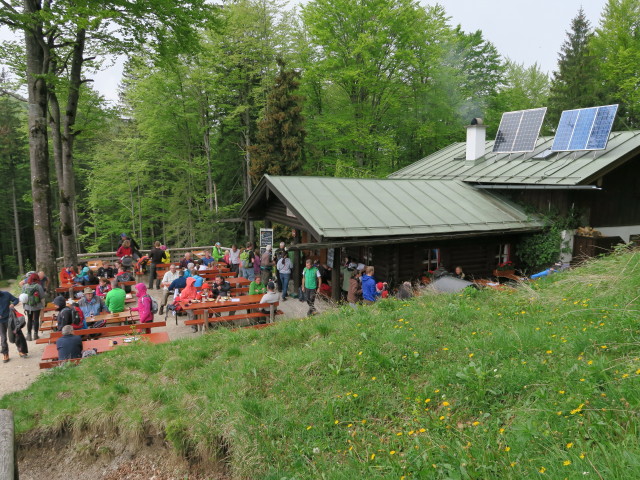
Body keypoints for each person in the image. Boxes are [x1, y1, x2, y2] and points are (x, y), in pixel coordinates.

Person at [22, 272, 45, 341]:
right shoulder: (38, 286)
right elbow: (42, 296)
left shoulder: (25, 286)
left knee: (29, 319)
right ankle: (35, 334)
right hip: (37, 306)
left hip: (28, 306)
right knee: (36, 319)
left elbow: (23, 296)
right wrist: (43, 306)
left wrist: (24, 305)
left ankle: (29, 335)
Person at [0, 290, 19, 363]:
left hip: (10, 318)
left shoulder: (6, 294)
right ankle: (5, 354)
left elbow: (16, 299)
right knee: (3, 338)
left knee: (16, 334)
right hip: (0, 322)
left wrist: (13, 304)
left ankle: (21, 350)